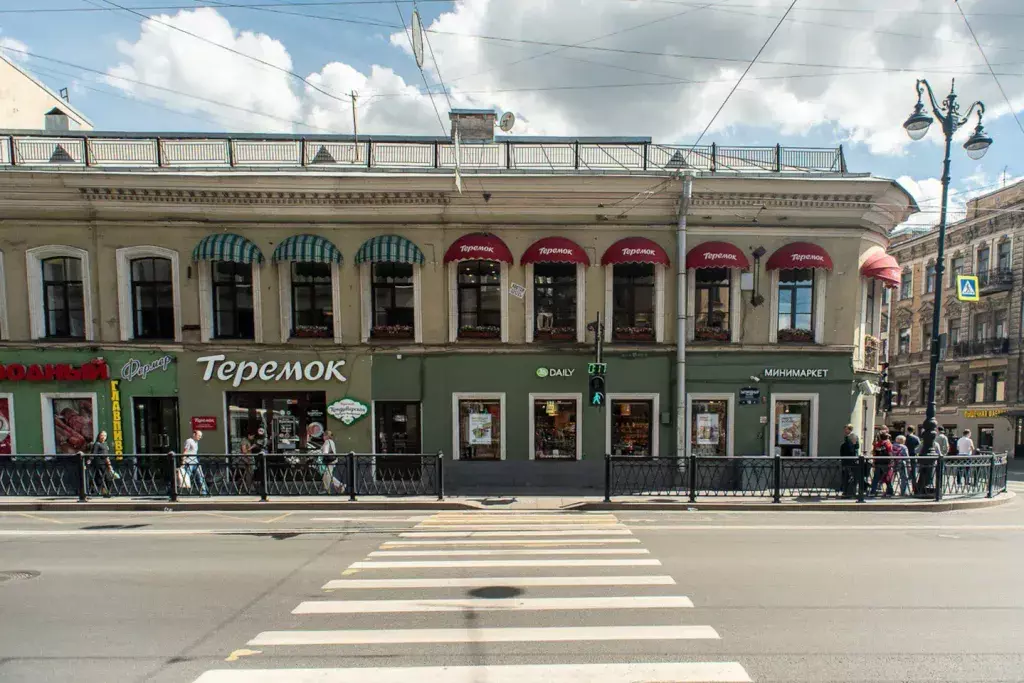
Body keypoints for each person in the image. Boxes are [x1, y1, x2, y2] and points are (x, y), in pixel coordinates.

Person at [182, 429, 209, 496]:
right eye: (199, 435)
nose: (200, 437)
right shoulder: (189, 441)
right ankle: (174, 490)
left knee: (200, 476)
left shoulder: (196, 442)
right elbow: (185, 451)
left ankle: (203, 492)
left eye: (201, 436)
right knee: (186, 476)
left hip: (195, 462)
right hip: (189, 462)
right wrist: (183, 461)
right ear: (194, 435)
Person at [90, 430, 116, 498]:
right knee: (102, 478)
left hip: (105, 463)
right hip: (99, 463)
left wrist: (109, 463)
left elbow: (106, 455)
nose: (103, 437)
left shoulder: (105, 444)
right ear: (99, 436)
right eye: (102, 435)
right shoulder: (97, 444)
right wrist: (90, 459)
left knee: (103, 478)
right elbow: (94, 453)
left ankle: (92, 490)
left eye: (105, 435)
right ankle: (105, 493)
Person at [870, 431, 894, 497]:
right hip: (886, 463)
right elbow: (890, 453)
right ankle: (890, 491)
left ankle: (873, 491)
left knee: (876, 478)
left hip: (878, 463)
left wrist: (874, 461)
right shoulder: (888, 444)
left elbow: (874, 453)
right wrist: (892, 461)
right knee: (888, 478)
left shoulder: (877, 444)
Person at [839, 424, 860, 498]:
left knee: (849, 476)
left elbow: (852, 448)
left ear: (849, 429)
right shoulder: (848, 437)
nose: (844, 430)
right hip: (847, 460)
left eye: (846, 429)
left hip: (850, 460)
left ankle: (849, 492)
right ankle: (847, 492)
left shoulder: (852, 436)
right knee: (847, 476)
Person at [904, 426, 921, 494]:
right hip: (913, 456)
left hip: (906, 456)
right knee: (914, 474)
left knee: (905, 473)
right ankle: (914, 489)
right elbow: (919, 447)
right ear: (913, 431)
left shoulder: (905, 438)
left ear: (907, 430)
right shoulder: (916, 438)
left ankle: (905, 490)